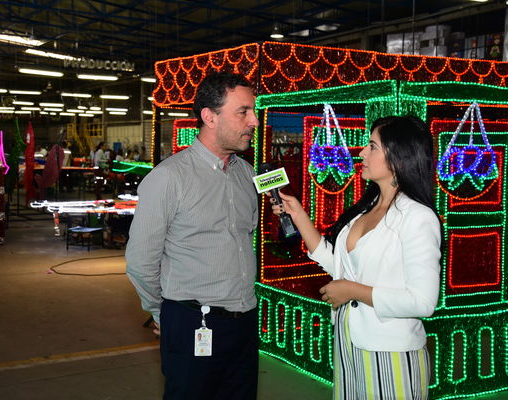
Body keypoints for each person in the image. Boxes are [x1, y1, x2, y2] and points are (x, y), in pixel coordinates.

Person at [271, 116, 441, 399]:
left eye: (372, 146)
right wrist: (298, 215)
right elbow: (337, 263)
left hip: (390, 351)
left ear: (398, 157)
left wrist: (352, 291)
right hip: (348, 342)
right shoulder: (368, 208)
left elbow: (423, 301)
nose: (362, 152)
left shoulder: (418, 218)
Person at [126, 72, 260, 400]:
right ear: (209, 117)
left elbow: (245, 235)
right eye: (243, 112)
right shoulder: (169, 178)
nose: (254, 121)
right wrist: (164, 314)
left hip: (244, 323)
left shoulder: (247, 173)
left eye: (253, 111)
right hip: (192, 323)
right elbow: (140, 261)